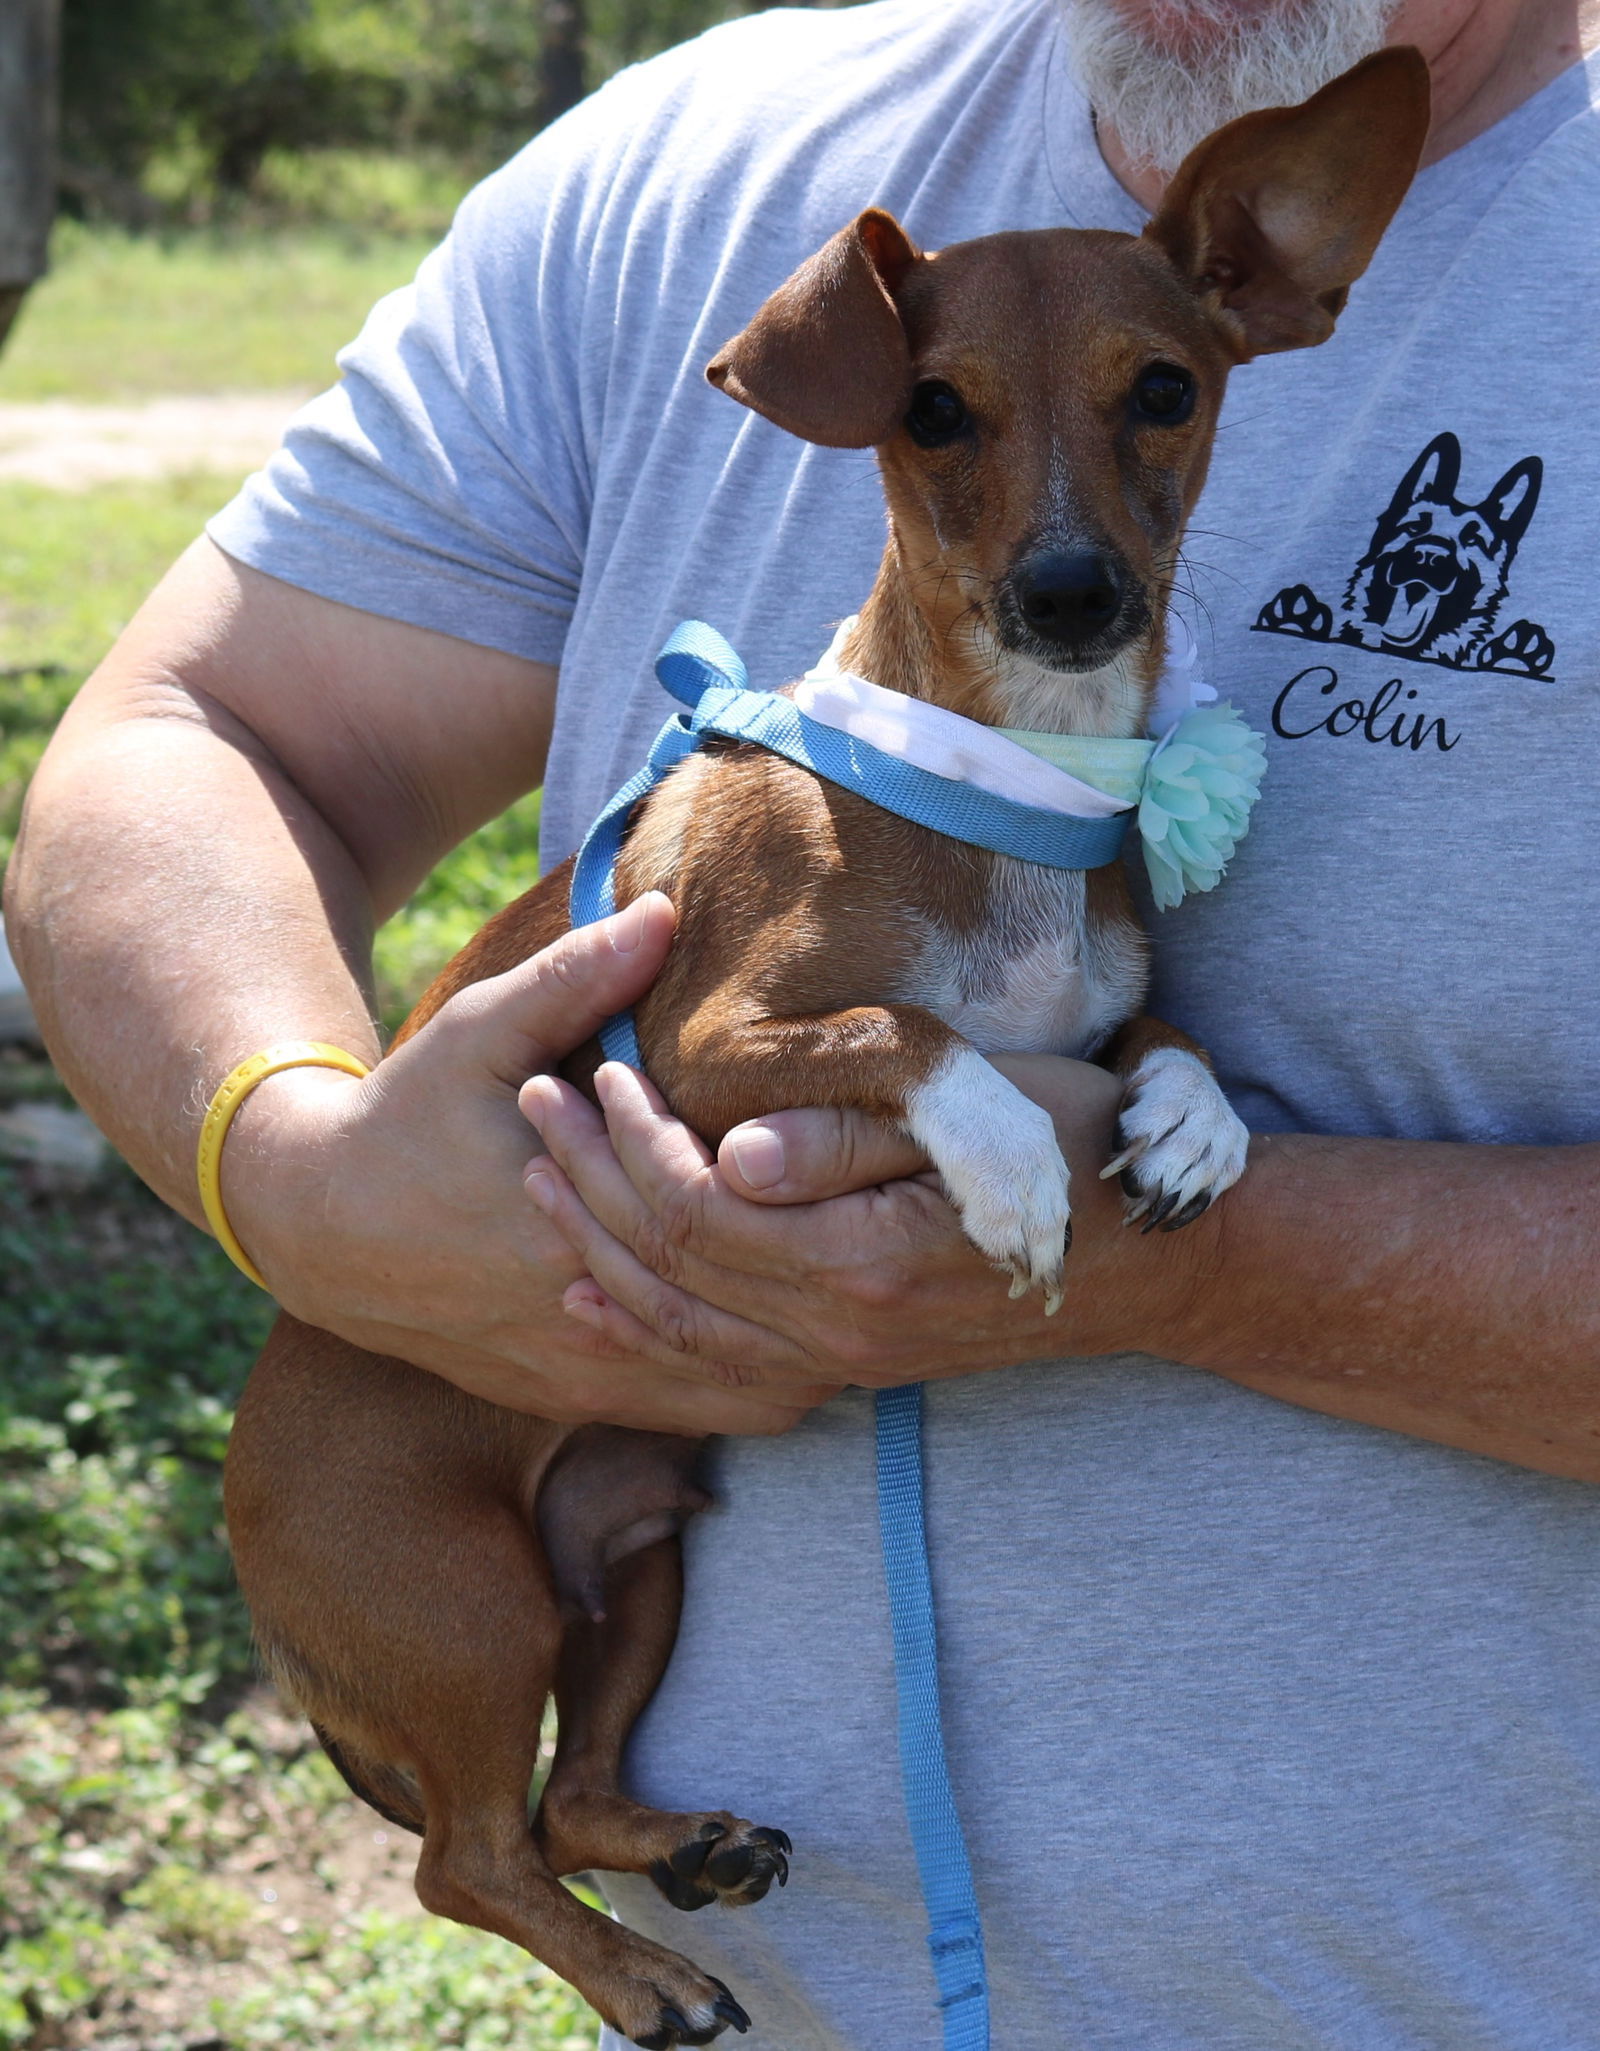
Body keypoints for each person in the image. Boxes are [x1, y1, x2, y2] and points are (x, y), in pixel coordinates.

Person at [9, 0, 1600, 2040]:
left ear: (1269, 285)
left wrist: (1190, 1268)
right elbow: (202, 728)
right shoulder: (681, 174)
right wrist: (292, 1167)